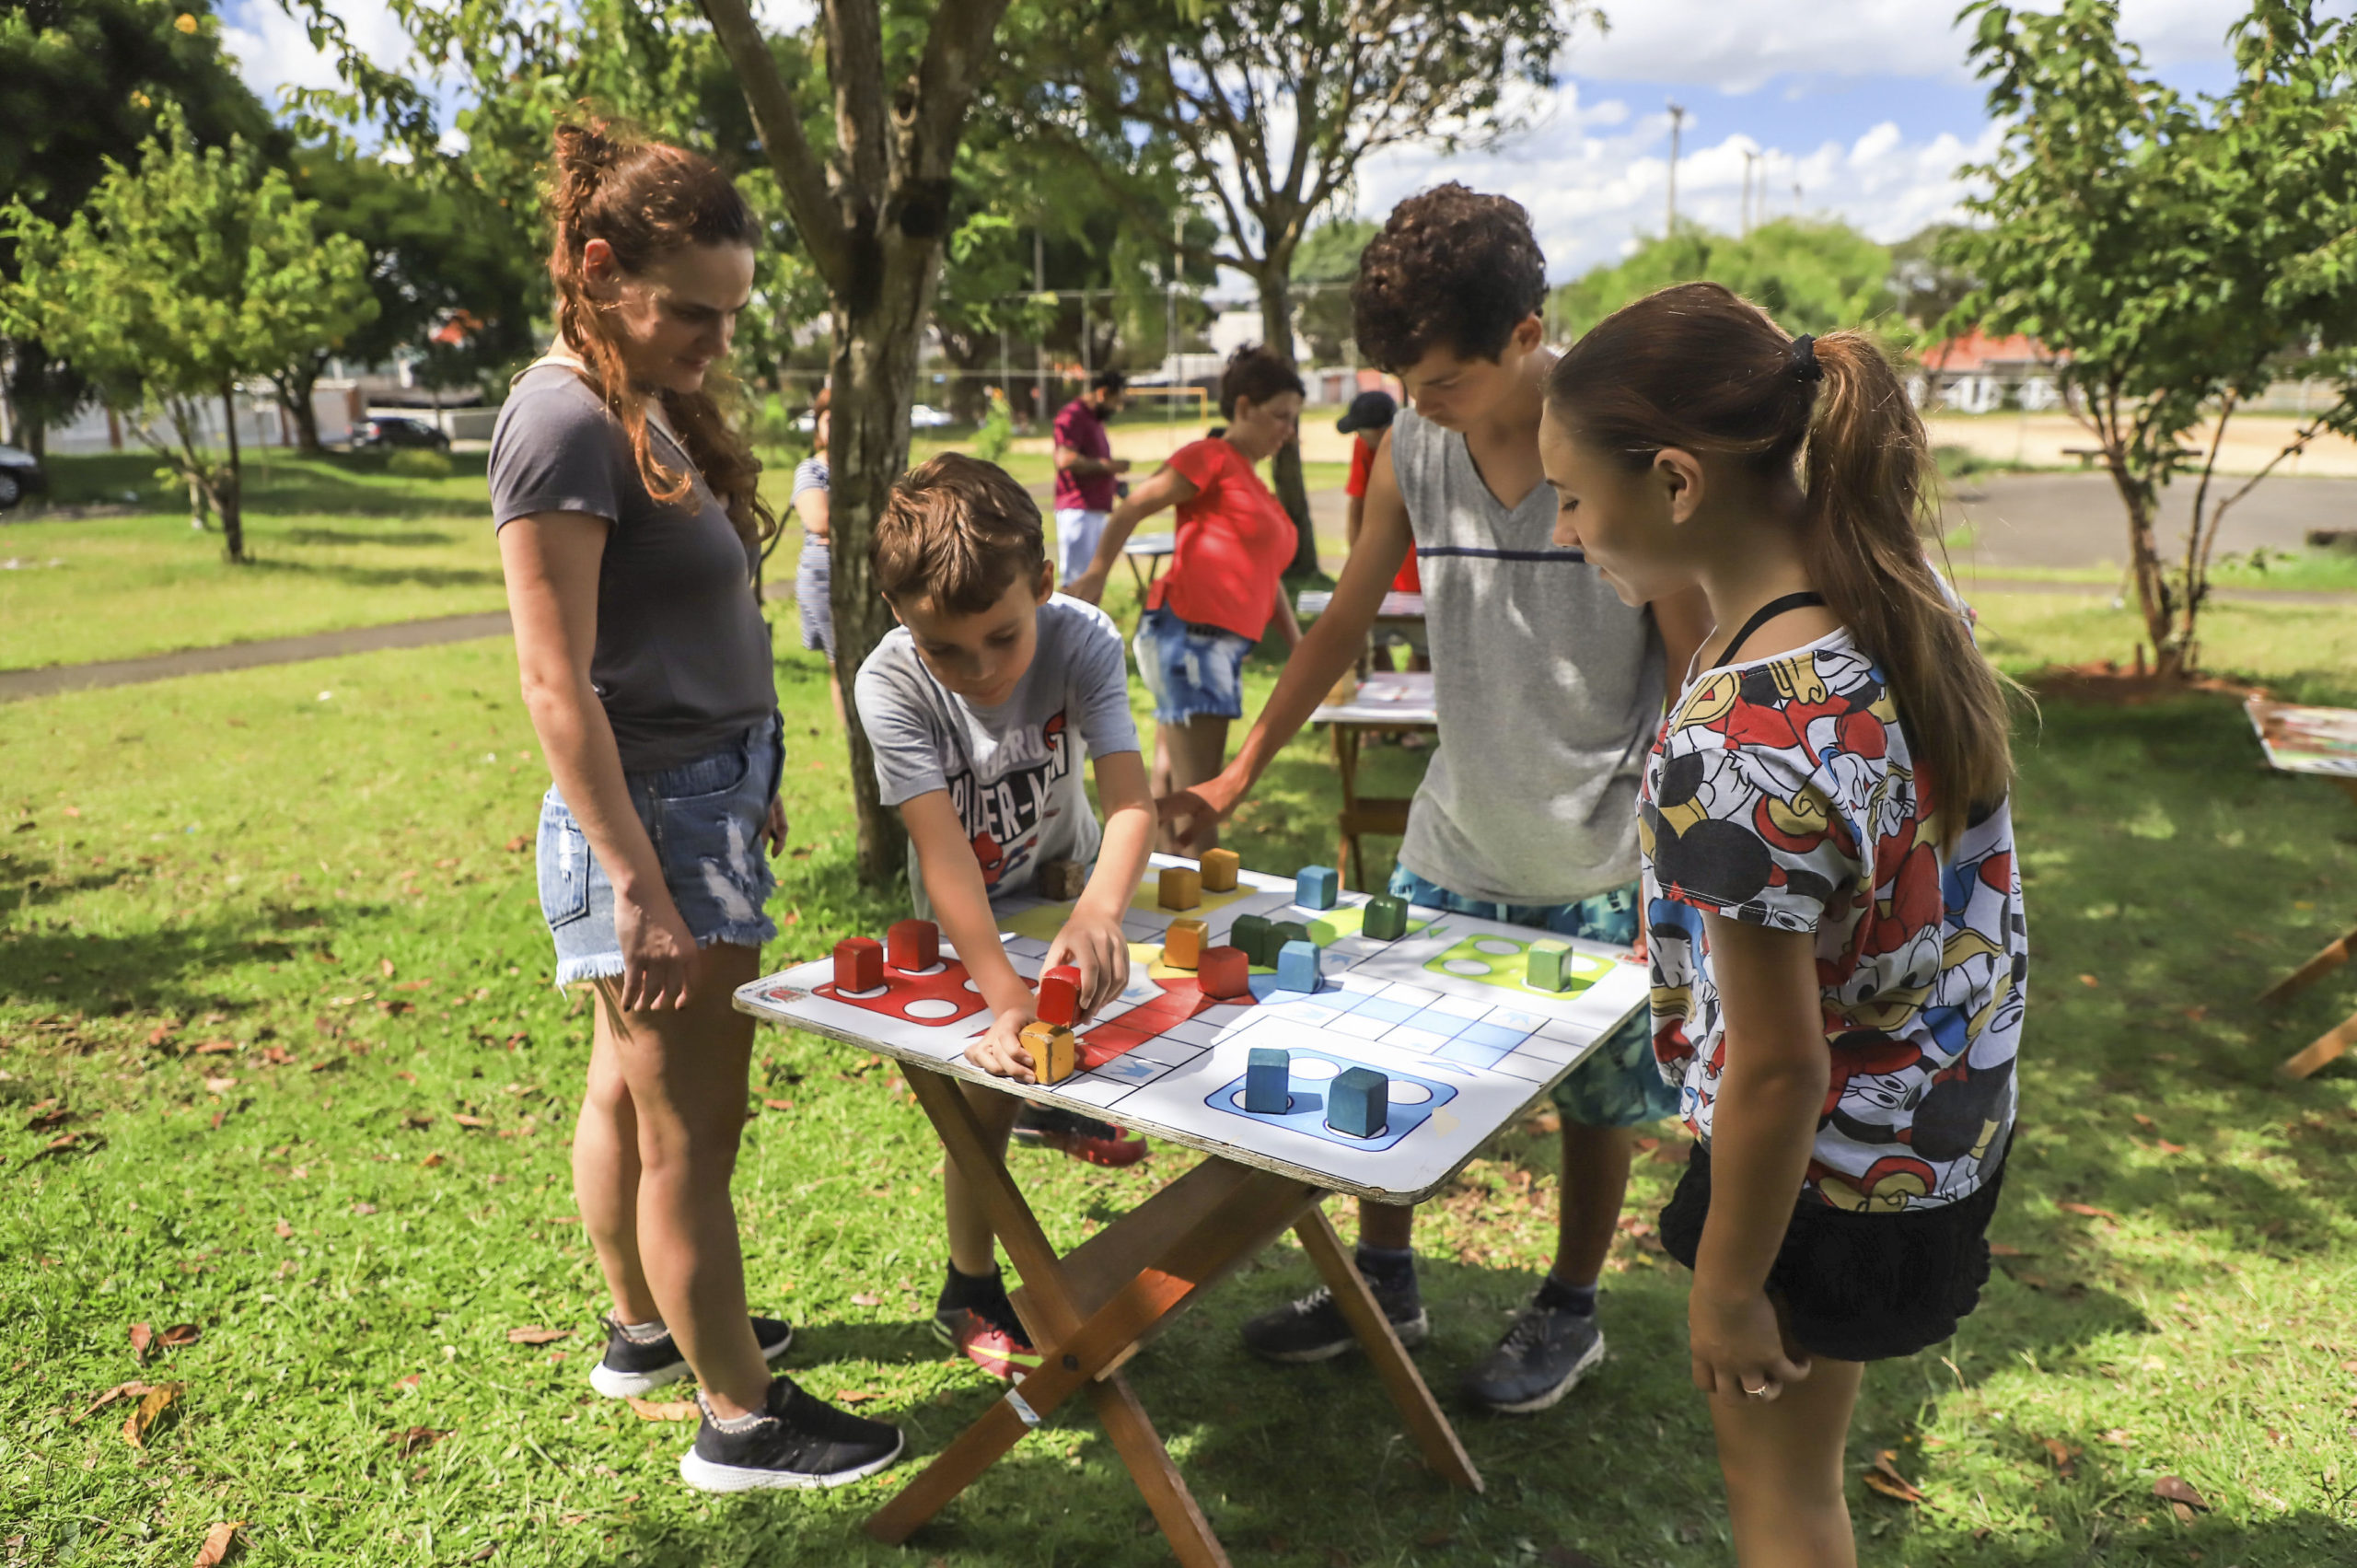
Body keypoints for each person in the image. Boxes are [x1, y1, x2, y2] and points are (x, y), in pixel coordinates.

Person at [1156, 186, 1713, 1412]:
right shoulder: (1414, 442)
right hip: (1451, 837)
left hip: (1595, 860)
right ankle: (1384, 1276)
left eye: (1440, 380)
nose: (1416, 404)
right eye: (1400, 381)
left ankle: (1571, 1306)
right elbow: (1348, 614)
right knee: (1383, 1060)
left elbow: (1692, 657)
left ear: (1526, 335)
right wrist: (1241, 767)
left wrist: (1664, 859)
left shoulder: (1620, 441)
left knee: (1598, 1106)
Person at [1540, 283, 2024, 1568]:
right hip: (1935, 1137)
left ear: (1680, 483)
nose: (1568, 526)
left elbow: (1775, 1061)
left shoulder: (1739, 740)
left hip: (1818, 1178)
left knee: (1786, 1498)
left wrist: (1727, 1282)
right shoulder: (1902, 593)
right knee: (1808, 1461)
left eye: (1577, 496)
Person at [488, 122, 901, 1492]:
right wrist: (642, 883)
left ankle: (646, 1329)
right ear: (600, 271)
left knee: (627, 1089)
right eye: (691, 312)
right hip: (648, 824)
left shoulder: (629, 401)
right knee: (691, 1132)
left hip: (697, 804)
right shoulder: (558, 417)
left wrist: (750, 782)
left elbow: (669, 636)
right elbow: (557, 684)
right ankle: (740, 1418)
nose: (714, 341)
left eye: (731, 315)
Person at [853, 454, 1156, 1380]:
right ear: (899, 615)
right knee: (986, 1087)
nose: (978, 671)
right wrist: (999, 997)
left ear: (1045, 584)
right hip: (968, 921)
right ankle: (969, 1283)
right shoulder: (888, 684)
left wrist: (1101, 909)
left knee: (1098, 1029)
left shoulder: (1084, 639)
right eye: (945, 647)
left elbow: (1133, 802)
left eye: (1001, 637)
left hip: (1068, 887)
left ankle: (1047, 1107)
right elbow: (944, 859)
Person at [1064, 346, 1306, 855]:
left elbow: (1268, 574)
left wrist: (1298, 643)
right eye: (1280, 416)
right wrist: (1096, 574)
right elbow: (1133, 505)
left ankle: (1153, 903)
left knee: (1170, 796)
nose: (1289, 430)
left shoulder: (1253, 481)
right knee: (1202, 804)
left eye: (1295, 420)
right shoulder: (1212, 457)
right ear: (1243, 407)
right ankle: (1205, 922)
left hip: (1213, 644)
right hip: (1192, 639)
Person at [1337, 387, 1425, 678]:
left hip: (1419, 555)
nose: (1358, 438)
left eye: (1362, 431)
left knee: (1424, 645)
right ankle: (1381, 718)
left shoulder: (1417, 444)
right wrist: (1358, 563)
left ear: (1382, 428)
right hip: (1379, 554)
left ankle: (1410, 718)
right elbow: (1356, 506)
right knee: (1370, 638)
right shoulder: (1364, 447)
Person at [789, 387, 844, 729]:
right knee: (842, 660)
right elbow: (819, 521)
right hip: (825, 579)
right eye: (829, 417)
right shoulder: (810, 470)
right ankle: (850, 732)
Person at [1051, 370, 1132, 584]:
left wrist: (1115, 486)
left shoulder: (1094, 421)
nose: (1117, 408)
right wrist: (1108, 467)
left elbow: (1093, 464)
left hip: (1095, 510)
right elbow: (1066, 459)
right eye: (1116, 401)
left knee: (1093, 583)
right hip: (1078, 511)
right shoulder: (1073, 416)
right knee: (1077, 584)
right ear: (1103, 393)